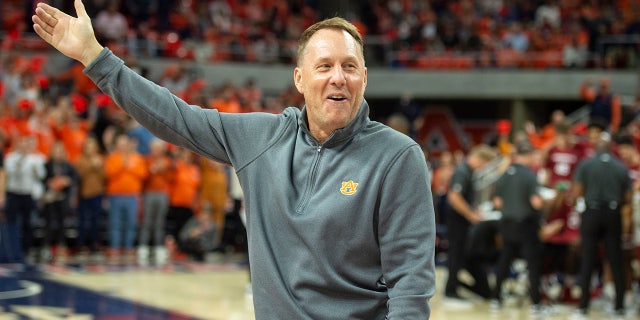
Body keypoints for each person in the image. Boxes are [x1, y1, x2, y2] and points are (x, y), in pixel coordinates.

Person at [33, 2, 436, 319]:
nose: (338, 77)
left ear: (364, 76)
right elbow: (175, 117)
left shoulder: (398, 157)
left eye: (350, 66)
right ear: (299, 79)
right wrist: (95, 56)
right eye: (324, 66)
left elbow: (411, 285)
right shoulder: (262, 136)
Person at [571, 132, 631, 317]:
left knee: (588, 259)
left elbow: (576, 192)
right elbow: (627, 198)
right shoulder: (621, 167)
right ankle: (619, 307)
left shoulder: (586, 164)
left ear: (596, 147)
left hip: (592, 212)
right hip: (613, 213)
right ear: (611, 147)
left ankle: (583, 308)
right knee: (615, 260)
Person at [491, 141, 545, 313]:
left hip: (507, 224)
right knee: (533, 263)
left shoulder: (505, 174)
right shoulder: (530, 176)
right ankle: (536, 303)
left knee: (504, 260)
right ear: (527, 156)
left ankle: (495, 297)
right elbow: (535, 203)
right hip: (526, 225)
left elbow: (497, 202)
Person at [444, 144, 496, 304]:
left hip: (462, 221)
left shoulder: (468, 172)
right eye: (485, 164)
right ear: (480, 159)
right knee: (456, 254)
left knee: (460, 255)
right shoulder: (462, 171)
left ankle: (454, 287)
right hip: (456, 221)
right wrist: (471, 215)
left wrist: (474, 211)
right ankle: (450, 291)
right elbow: (454, 197)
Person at [104, 133, 148, 263]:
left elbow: (143, 174)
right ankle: (115, 247)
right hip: (115, 196)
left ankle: (128, 247)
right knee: (115, 223)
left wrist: (129, 166)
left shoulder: (137, 158)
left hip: (132, 196)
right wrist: (123, 164)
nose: (123, 146)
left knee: (131, 224)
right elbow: (109, 173)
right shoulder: (112, 158)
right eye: (120, 144)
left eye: (125, 144)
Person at [3, 135, 46, 263]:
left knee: (28, 224)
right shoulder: (11, 157)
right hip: (14, 193)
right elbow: (8, 173)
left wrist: (35, 168)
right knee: (12, 223)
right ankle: (10, 252)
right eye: (23, 143)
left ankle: (25, 251)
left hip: (28, 195)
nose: (25, 146)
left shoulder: (37, 158)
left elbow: (42, 176)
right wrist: (21, 160)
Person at [41, 141, 78, 263]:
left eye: (60, 150)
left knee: (62, 223)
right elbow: (41, 179)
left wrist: (67, 182)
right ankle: (47, 247)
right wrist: (50, 183)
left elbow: (75, 180)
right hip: (50, 198)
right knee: (50, 223)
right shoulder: (46, 165)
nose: (58, 153)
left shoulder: (67, 165)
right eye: (55, 150)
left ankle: (61, 246)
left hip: (62, 198)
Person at [138, 138, 171, 265]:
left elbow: (171, 178)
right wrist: (151, 170)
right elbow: (143, 177)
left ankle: (159, 246)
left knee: (159, 222)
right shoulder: (147, 160)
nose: (156, 151)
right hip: (149, 193)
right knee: (147, 221)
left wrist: (163, 170)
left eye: (158, 149)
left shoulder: (167, 161)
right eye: (154, 149)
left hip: (162, 193)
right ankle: (143, 246)